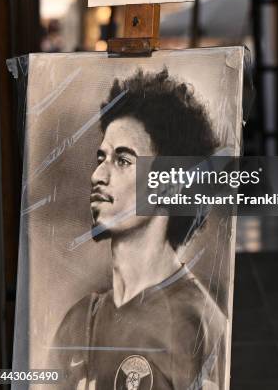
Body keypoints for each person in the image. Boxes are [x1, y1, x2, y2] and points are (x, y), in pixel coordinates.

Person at [49, 69, 227, 390]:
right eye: (101, 157)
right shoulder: (76, 324)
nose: (97, 175)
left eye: (123, 161)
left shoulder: (197, 325)